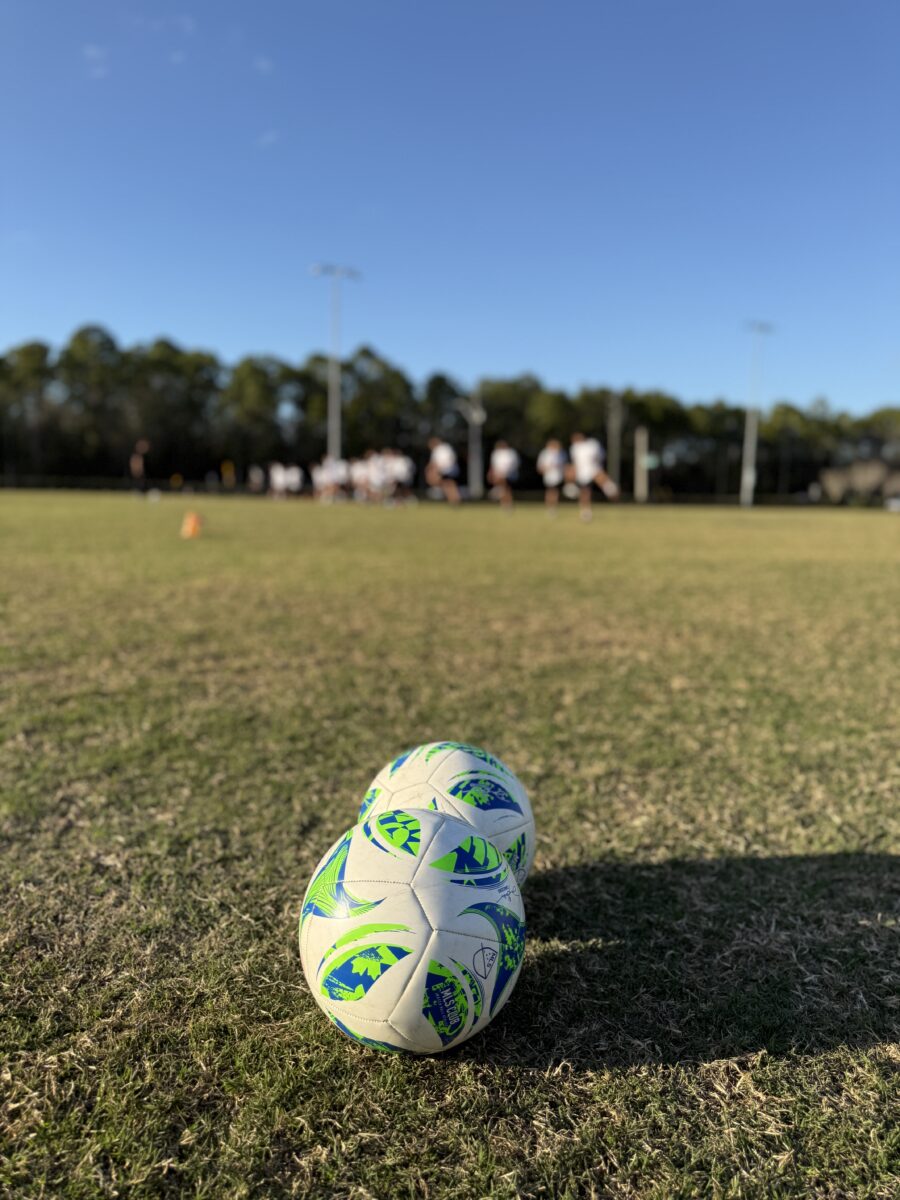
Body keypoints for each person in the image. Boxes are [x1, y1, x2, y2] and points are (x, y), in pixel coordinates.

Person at [569, 431, 620, 521]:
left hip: (594, 469)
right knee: (585, 492)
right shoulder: (574, 448)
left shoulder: (592, 444)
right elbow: (575, 462)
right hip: (583, 473)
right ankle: (586, 512)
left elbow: (600, 456)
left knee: (607, 486)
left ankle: (616, 498)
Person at [425, 437, 460, 505]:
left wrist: (432, 470)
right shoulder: (446, 447)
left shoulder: (439, 450)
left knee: (447, 484)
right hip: (450, 468)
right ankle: (453, 499)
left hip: (446, 469)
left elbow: (438, 462)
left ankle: (454, 499)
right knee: (448, 484)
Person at [487, 439, 520, 510]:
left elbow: (513, 464)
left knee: (506, 489)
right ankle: (504, 504)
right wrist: (492, 473)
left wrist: (505, 472)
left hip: (509, 474)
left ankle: (507, 503)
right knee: (504, 489)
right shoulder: (496, 453)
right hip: (499, 474)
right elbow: (493, 465)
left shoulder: (511, 453)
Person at [536, 438, 567, 511]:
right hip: (549, 476)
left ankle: (554, 507)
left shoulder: (561, 453)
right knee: (550, 491)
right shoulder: (544, 453)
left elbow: (564, 465)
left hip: (558, 476)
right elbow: (540, 467)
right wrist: (547, 468)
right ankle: (549, 507)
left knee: (555, 491)